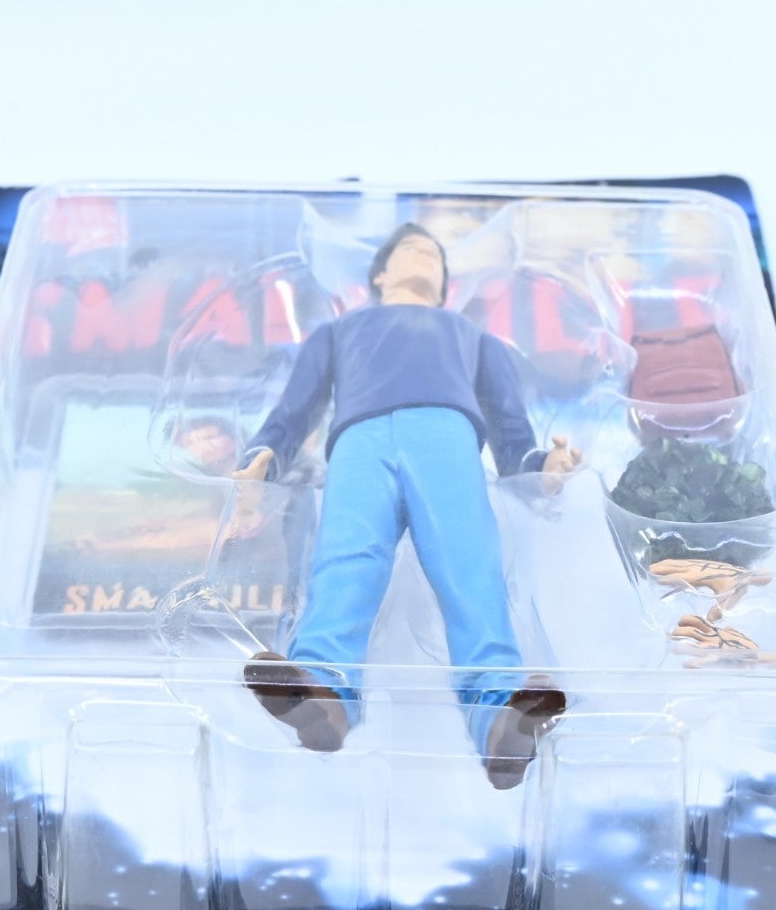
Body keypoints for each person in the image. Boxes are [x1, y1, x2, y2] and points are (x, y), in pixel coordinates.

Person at [232, 223, 580, 788]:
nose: (424, 256)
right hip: (358, 442)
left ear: (446, 283)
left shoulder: (474, 338)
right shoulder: (338, 332)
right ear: (379, 274)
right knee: (345, 558)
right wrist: (262, 460)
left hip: (448, 437)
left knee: (469, 565)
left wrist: (545, 466)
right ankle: (321, 690)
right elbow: (292, 412)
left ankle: (500, 712)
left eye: (433, 255)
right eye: (410, 250)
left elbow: (513, 436)